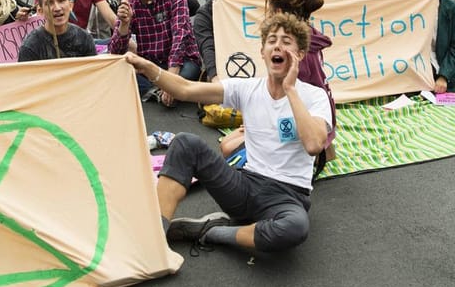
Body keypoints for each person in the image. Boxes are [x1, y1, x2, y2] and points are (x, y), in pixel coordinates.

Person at [127, 13, 331, 252]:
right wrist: (150, 69)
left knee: (294, 228)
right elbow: (185, 89)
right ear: (263, 52)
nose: (278, 45)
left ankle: (212, 232)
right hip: (244, 185)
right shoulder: (247, 88)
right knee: (185, 143)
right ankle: (154, 239)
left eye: (287, 41)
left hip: (287, 197)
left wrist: (290, 90)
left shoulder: (314, 95)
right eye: (272, 40)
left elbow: (314, 144)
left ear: (300, 55)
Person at [109, 0, 200, 105]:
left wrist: (170, 79)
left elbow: (181, 37)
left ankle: (161, 90)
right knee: (120, 72)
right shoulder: (129, 4)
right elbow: (115, 52)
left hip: (181, 62)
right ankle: (166, 91)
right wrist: (124, 25)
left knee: (189, 71)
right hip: (150, 64)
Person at [18, 0, 97, 61]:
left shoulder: (84, 38)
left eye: (61, 1)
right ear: (40, 11)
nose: (57, 8)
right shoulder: (30, 47)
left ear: (70, 5)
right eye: (49, 3)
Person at [193, 0, 240, 78]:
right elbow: (207, 48)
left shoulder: (247, 5)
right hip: (223, 68)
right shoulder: (204, 15)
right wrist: (214, 76)